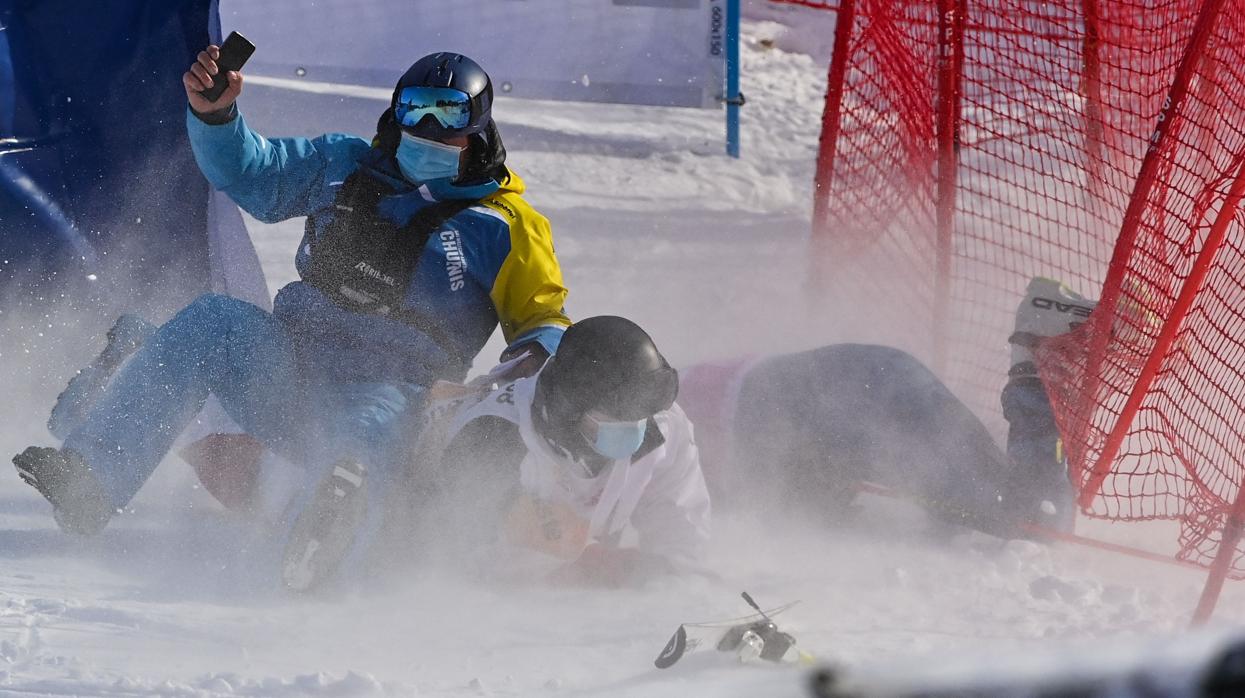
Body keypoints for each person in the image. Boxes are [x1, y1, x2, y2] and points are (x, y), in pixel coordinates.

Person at [12, 46, 571, 591]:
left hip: (390, 391)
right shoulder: (345, 165)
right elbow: (256, 173)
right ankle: (92, 479)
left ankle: (318, 560)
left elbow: (542, 321)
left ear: (478, 126)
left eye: (448, 112)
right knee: (214, 320)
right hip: (288, 361)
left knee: (357, 450)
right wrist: (217, 116)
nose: (426, 125)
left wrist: (514, 377)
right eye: (414, 108)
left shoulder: (504, 225)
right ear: (394, 111)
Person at [677, 280, 1090, 538]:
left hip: (861, 396)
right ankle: (1043, 351)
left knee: (1030, 520)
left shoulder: (655, 427)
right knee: (992, 509)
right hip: (863, 386)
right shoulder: (666, 404)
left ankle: (1038, 345)